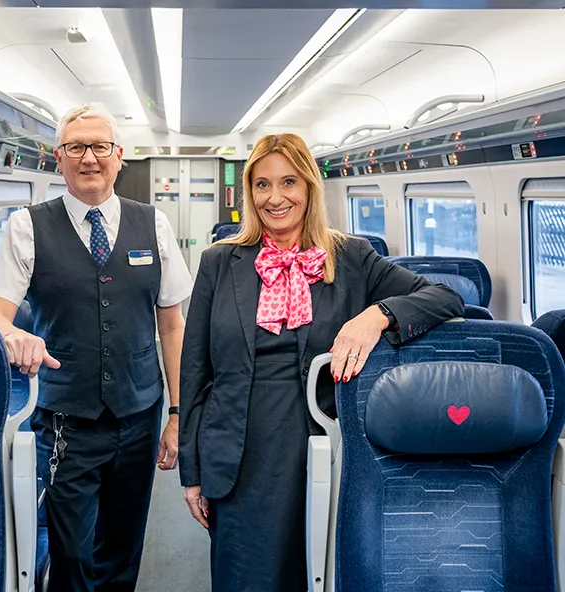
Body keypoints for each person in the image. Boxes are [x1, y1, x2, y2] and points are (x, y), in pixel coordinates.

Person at [178, 133, 464, 591]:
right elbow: (195, 372)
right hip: (237, 448)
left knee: (315, 573)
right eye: (262, 185)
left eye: (289, 182)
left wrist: (378, 314)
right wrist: (191, 473)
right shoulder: (219, 262)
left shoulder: (352, 257)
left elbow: (445, 297)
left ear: (310, 186)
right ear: (249, 193)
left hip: (323, 445)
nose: (275, 197)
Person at [0, 102, 192, 592]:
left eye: (99, 147)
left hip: (139, 412)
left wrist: (177, 414)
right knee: (72, 552)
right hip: (66, 417)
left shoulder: (152, 224)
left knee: (122, 544)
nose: (89, 157)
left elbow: (173, 326)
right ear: (59, 157)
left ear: (119, 156)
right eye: (76, 147)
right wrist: (14, 335)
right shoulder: (26, 226)